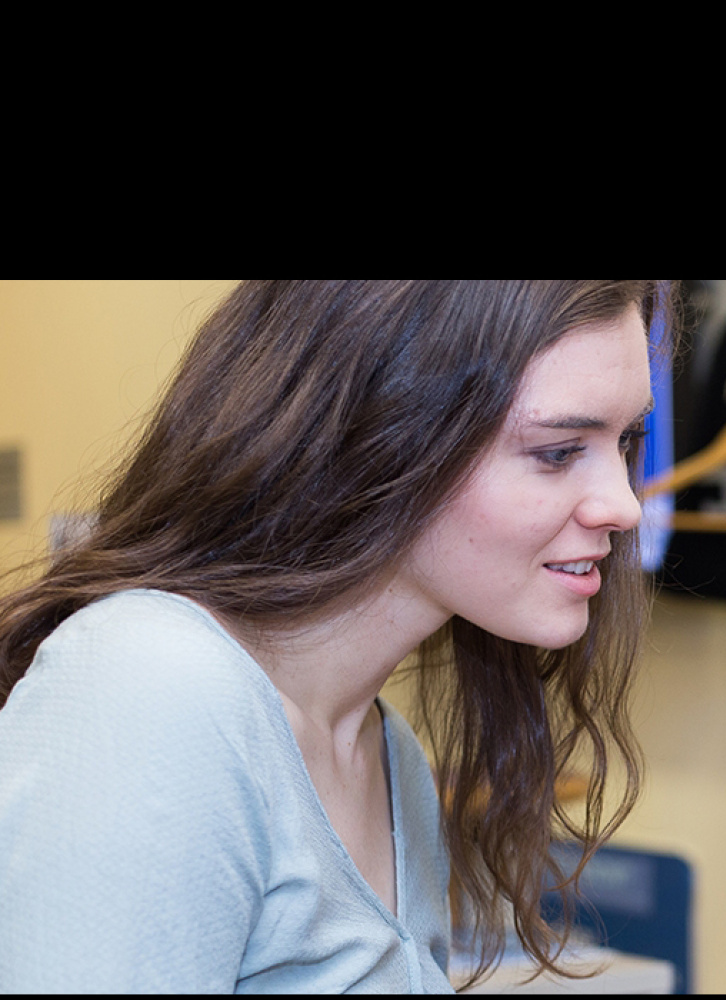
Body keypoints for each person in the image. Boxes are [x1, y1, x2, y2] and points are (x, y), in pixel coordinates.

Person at [0, 280, 665, 992]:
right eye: (559, 451)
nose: (624, 506)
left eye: (626, 441)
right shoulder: (150, 690)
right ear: (387, 433)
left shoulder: (391, 759)